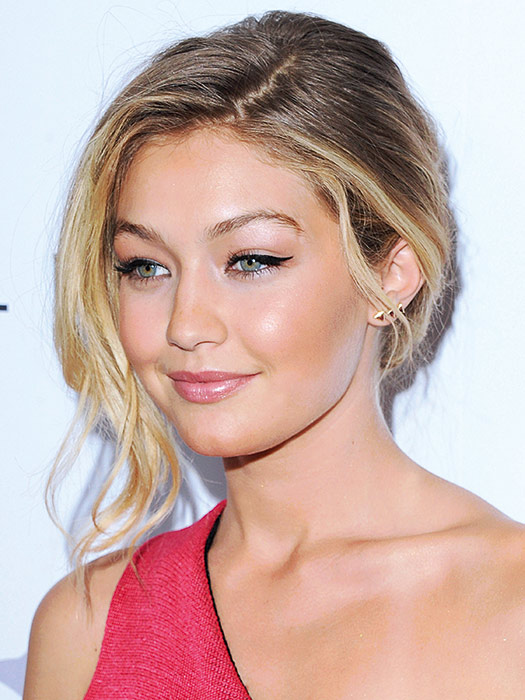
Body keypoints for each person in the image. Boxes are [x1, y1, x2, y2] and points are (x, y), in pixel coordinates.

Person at [24, 10, 525, 699]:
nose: (185, 325)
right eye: (145, 266)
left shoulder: (509, 608)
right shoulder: (86, 626)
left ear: (389, 274)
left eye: (252, 260)